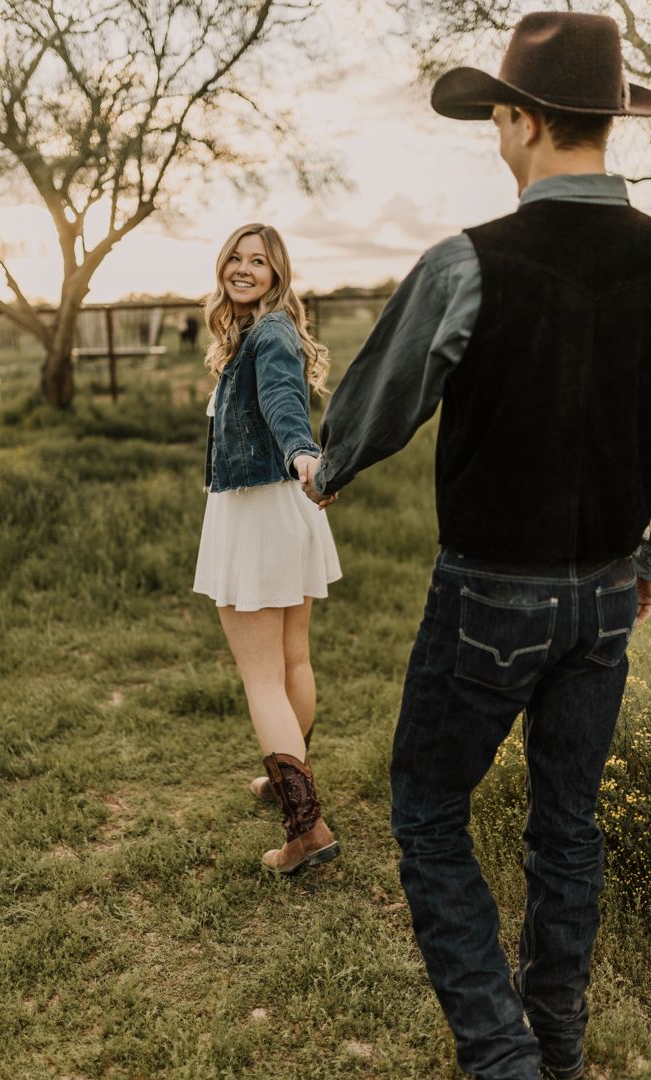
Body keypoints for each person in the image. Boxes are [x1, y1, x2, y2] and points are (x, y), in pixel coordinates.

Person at [302, 12, 651, 1080]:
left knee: (427, 809)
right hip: (606, 596)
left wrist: (329, 466)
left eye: (499, 120)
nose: (498, 138)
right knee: (567, 828)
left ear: (523, 119)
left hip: (490, 599)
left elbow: (376, 406)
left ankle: (506, 1061)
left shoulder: (470, 260)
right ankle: (557, 1048)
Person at [193, 222, 342, 875]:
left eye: (259, 261)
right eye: (237, 257)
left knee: (262, 678)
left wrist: (302, 450)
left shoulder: (270, 333)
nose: (244, 268)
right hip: (284, 510)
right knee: (290, 662)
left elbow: (283, 402)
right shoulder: (252, 332)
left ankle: (305, 831)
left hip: (259, 512)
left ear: (278, 275)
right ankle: (287, 780)